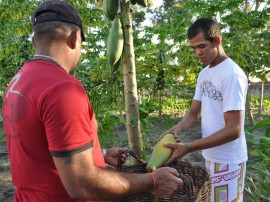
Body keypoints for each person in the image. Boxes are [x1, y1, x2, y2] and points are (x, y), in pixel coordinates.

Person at [2, 1, 182, 201]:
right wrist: (153, 181)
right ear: (74, 38)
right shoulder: (63, 89)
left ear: (35, 40)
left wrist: (99, 153)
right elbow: (82, 184)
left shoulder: (19, 81)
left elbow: (39, 147)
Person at [160, 18, 248, 202]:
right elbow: (194, 112)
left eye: (202, 46)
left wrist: (188, 147)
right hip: (210, 156)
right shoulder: (204, 73)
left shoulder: (232, 75)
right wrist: (179, 128)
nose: (198, 53)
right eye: (194, 48)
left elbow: (234, 129)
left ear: (217, 40)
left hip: (228, 161)